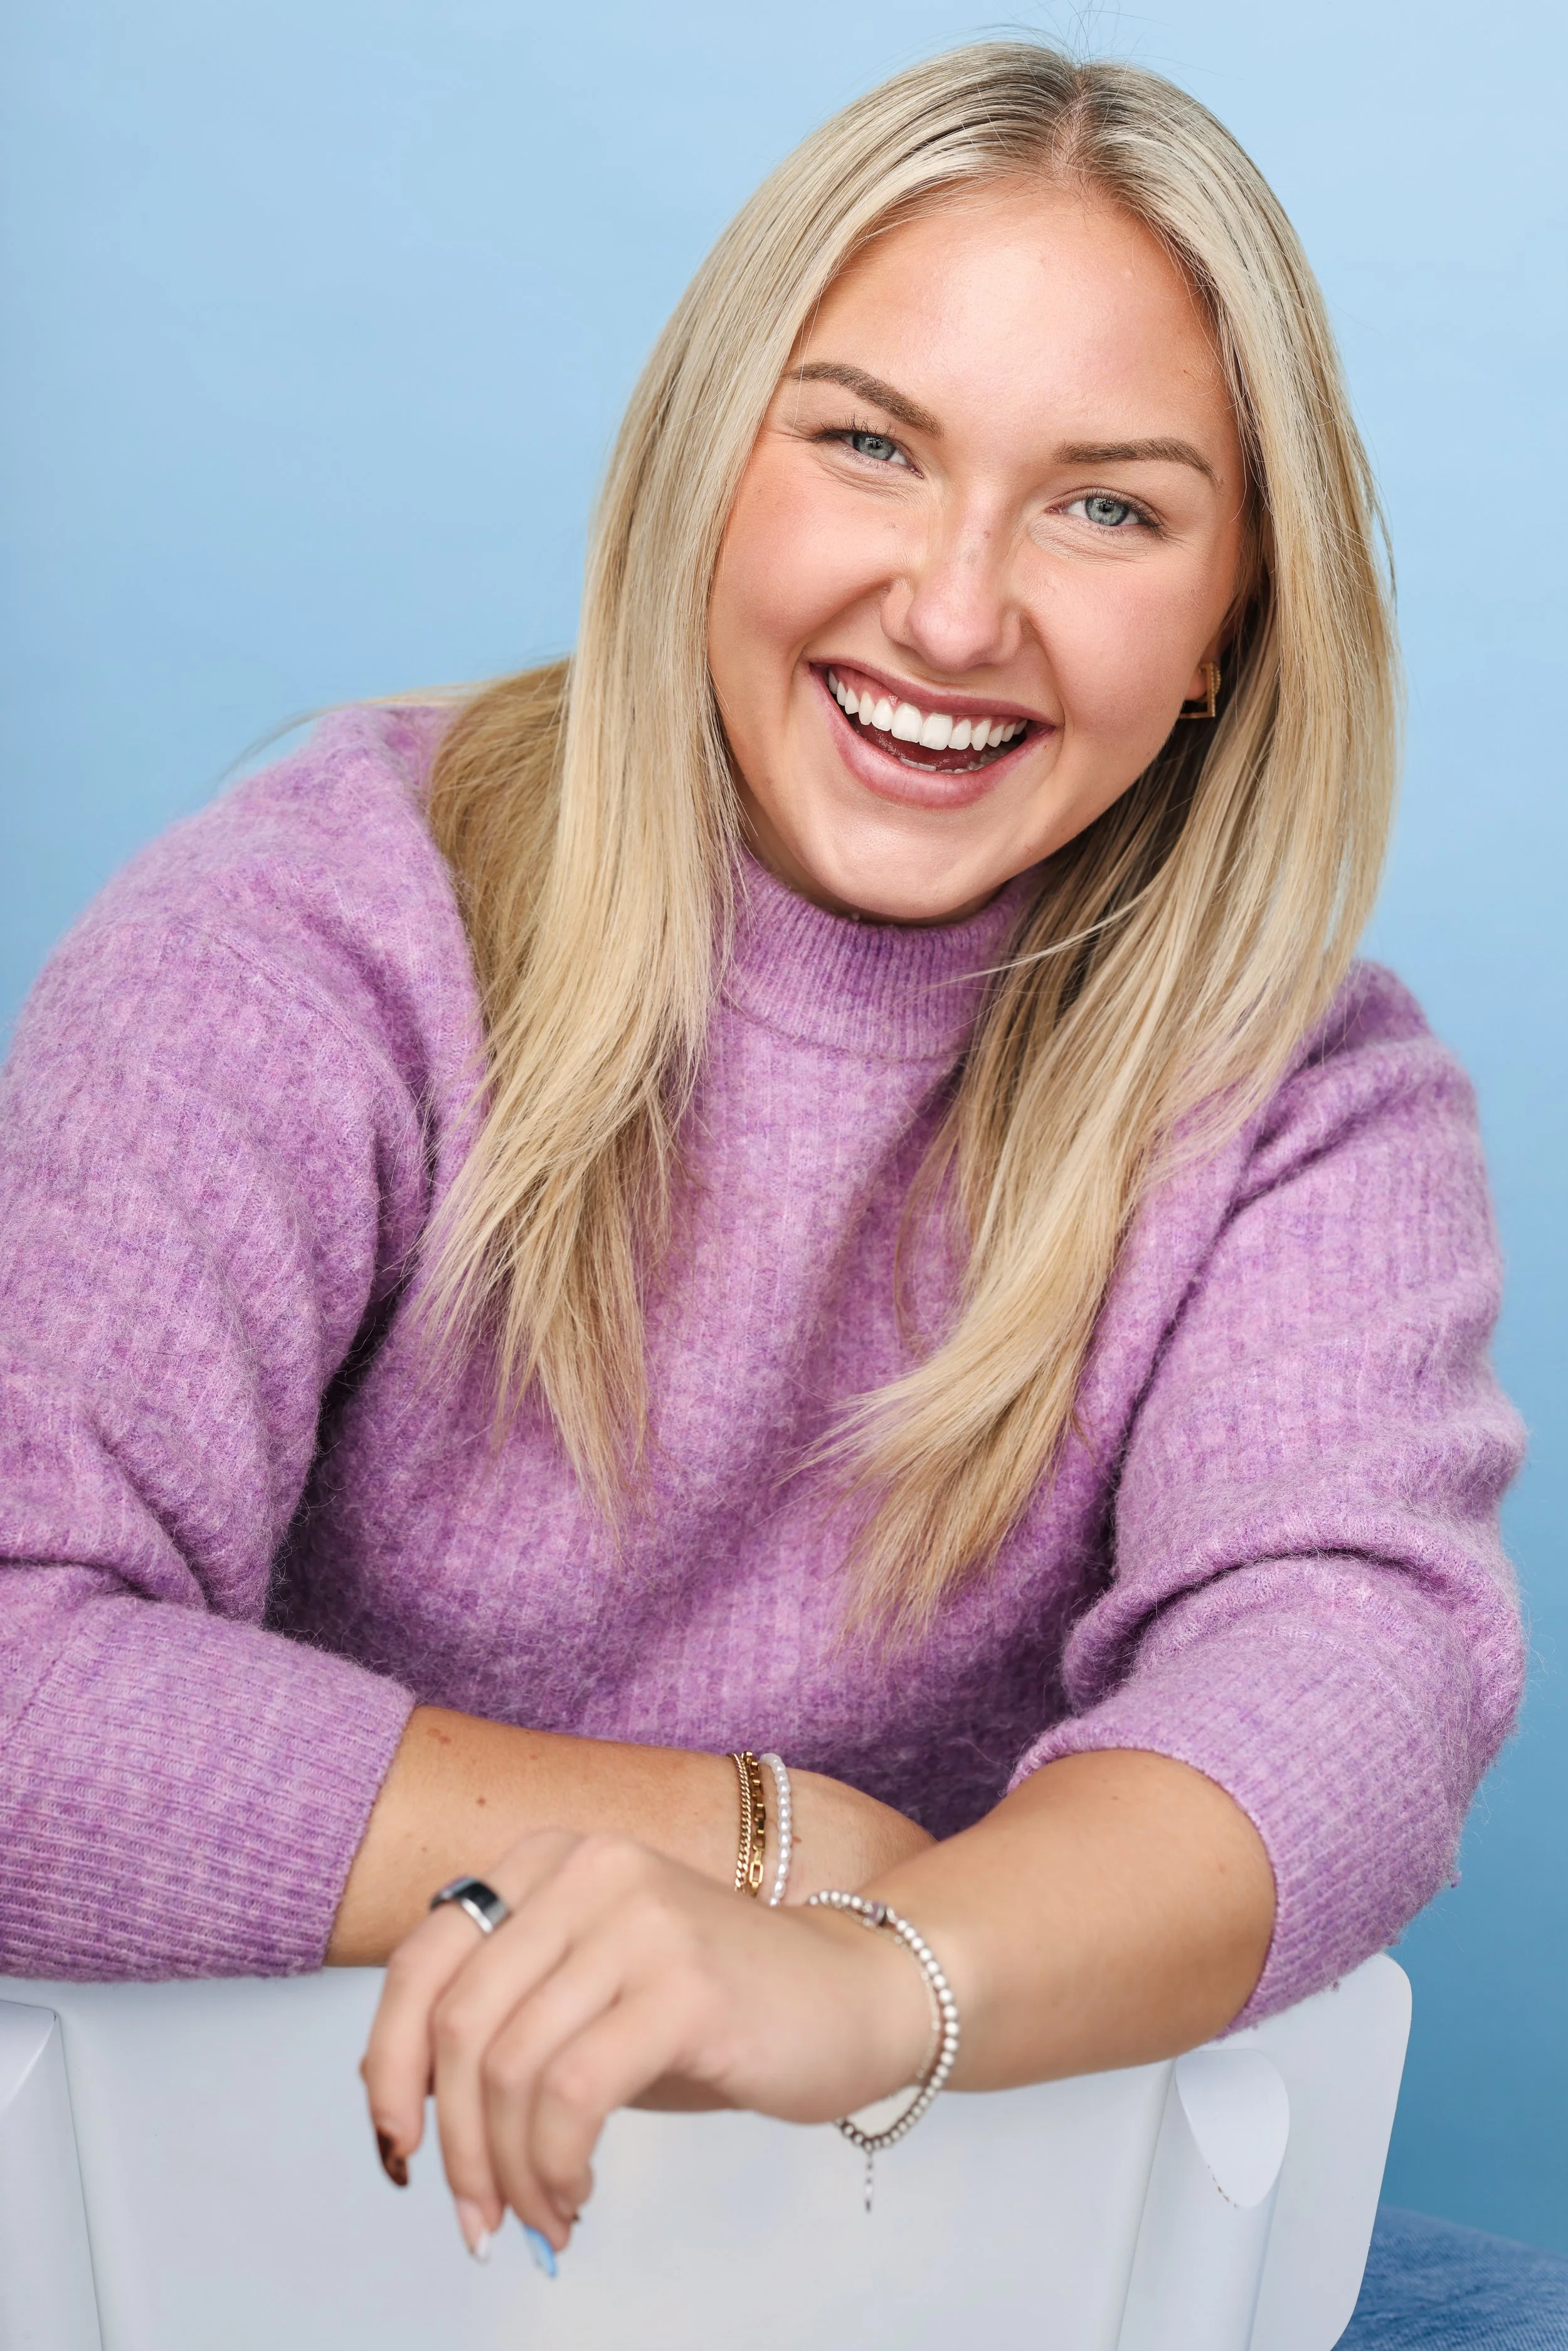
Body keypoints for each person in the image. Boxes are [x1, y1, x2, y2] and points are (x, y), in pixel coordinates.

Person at [0, 37, 1522, 2279]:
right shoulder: (317, 927)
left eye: (1107, 505)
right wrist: (762, 1845)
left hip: (946, 2231)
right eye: (867, 445)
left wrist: (868, 1983)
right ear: (711, 466)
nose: (951, 609)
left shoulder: (1307, 1099)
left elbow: (1354, 1673)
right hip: (281, 2220)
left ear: (1228, 631)